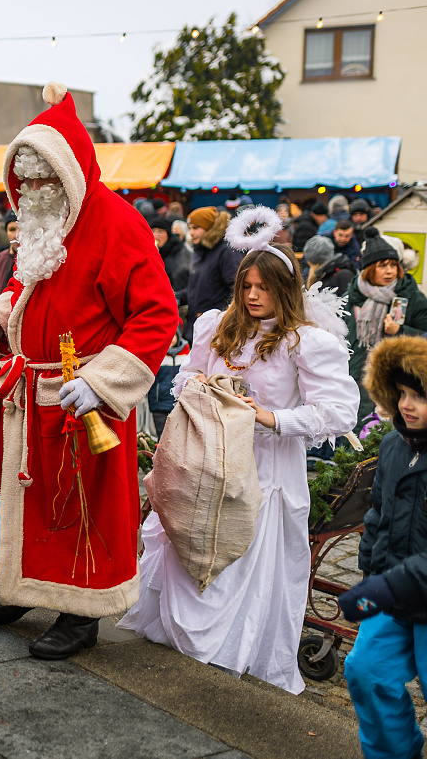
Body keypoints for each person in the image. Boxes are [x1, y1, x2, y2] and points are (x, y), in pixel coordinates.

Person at [0, 83, 179, 660]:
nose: (34, 192)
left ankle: (80, 611)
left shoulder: (117, 223)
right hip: (29, 394)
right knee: (29, 499)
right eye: (27, 181)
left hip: (82, 396)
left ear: (70, 172)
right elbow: (28, 283)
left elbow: (156, 314)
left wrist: (101, 382)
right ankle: (23, 584)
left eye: (45, 180)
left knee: (77, 505)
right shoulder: (44, 221)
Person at [120, 227, 359, 694]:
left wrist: (271, 417)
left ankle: (230, 654)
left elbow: (337, 412)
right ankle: (174, 640)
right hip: (204, 463)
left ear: (283, 291)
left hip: (264, 473)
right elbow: (186, 374)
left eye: (263, 288)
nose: (252, 296)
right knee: (188, 549)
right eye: (246, 287)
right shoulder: (216, 326)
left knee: (237, 564)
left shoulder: (305, 343)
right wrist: (202, 391)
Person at [342, 335, 427, 757]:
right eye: (403, 393)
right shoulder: (395, 444)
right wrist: (371, 575)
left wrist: (385, 586)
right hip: (392, 594)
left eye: (421, 396)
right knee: (365, 670)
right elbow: (378, 516)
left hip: (414, 593)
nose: (408, 405)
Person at [346, 227, 427, 421]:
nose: (389, 271)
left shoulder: (412, 296)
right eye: (382, 265)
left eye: (393, 265)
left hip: (396, 383)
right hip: (354, 381)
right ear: (369, 269)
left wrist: (400, 331)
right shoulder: (350, 297)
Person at [184, 207, 241, 342]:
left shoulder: (226, 252)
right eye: (190, 228)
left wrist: (222, 317)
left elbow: (237, 288)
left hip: (217, 330)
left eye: (196, 228)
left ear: (209, 228)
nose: (191, 233)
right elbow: (198, 286)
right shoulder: (201, 251)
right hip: (199, 327)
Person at [152, 216, 190, 305]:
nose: (156, 235)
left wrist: (177, 297)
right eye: (153, 231)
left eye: (160, 231)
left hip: (179, 303)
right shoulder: (150, 254)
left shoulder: (180, 251)